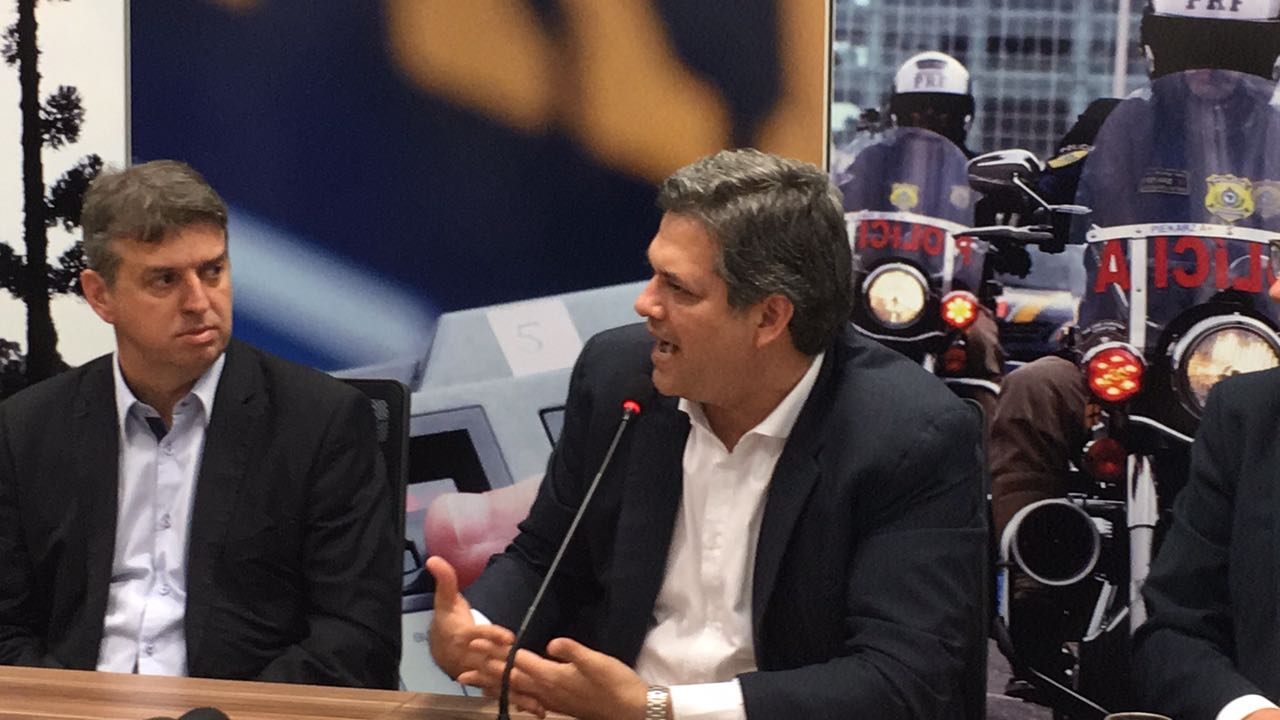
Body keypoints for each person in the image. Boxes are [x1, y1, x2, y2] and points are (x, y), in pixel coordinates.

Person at [426, 148, 987, 720]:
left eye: (679, 288)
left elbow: (900, 680)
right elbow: (546, 558)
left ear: (769, 318)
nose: (645, 303)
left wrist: (655, 709)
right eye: (653, 274)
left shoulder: (910, 435)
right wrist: (475, 628)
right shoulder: (618, 377)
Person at [0, 160, 401, 688]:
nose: (198, 302)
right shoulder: (26, 430)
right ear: (100, 296)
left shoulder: (321, 422)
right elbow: (6, 628)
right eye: (165, 280)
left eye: (212, 271)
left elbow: (357, 637)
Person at [988, 0, 1280, 699]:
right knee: (1033, 390)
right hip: (1130, 345)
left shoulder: (1279, 131)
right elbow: (1052, 184)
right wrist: (1022, 208)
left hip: (1253, 351)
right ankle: (1037, 589)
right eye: (1190, 45)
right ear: (1157, 49)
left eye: (1231, 51)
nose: (1210, 68)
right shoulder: (1111, 122)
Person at [1132, 274, 1280, 720]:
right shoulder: (1248, 413)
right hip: (1160, 346)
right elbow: (1177, 627)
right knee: (1039, 384)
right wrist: (1245, 711)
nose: (1275, 290)